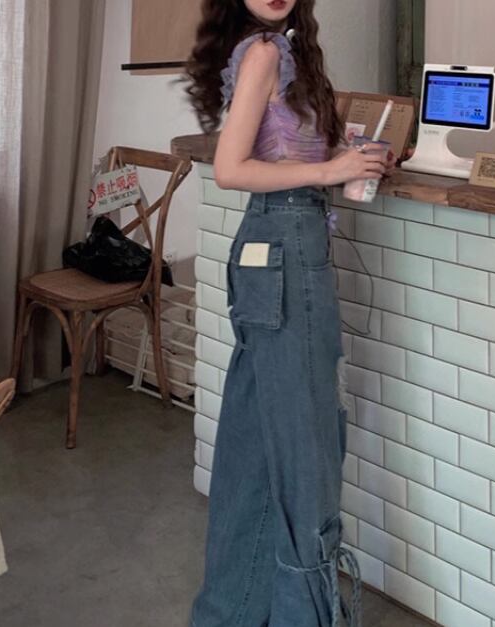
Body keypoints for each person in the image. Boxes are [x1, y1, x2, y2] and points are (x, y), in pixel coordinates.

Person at [184, 1, 395, 625]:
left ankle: (228, 612)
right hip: (286, 246)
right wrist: (332, 167)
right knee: (307, 451)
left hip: (275, 246)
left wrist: (353, 155)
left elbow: (281, 151)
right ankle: (306, 615)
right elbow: (230, 169)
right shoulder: (263, 52)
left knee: (255, 447)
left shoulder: (285, 49)